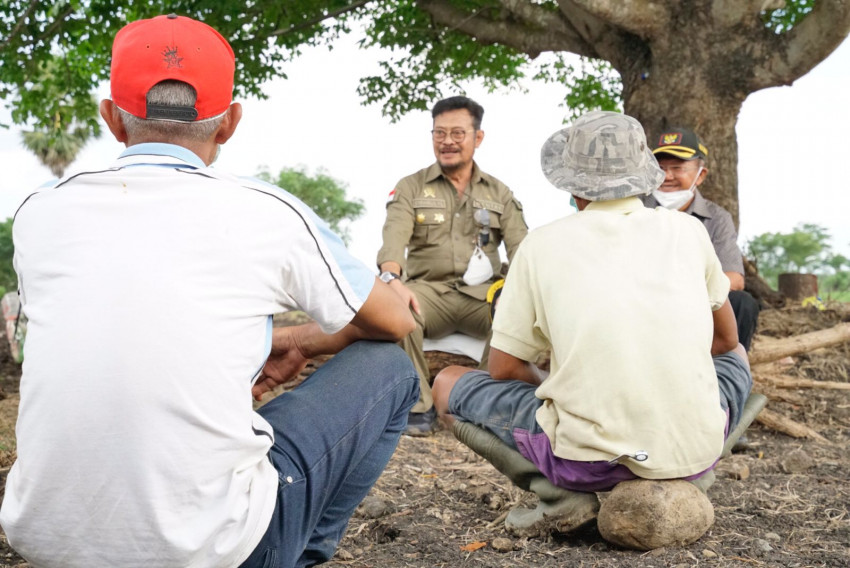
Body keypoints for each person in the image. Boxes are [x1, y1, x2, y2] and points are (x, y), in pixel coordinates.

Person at [0, 15, 419, 568]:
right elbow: (395, 322)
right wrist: (317, 338)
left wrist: (286, 339)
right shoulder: (267, 212)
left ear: (111, 118)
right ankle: (301, 553)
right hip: (215, 549)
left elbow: (124, 323)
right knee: (390, 368)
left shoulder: (39, 211)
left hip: (50, 540)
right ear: (230, 124)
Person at [431, 111, 759, 538]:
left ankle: (558, 496)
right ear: (645, 175)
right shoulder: (689, 232)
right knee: (737, 359)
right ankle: (687, 468)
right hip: (696, 450)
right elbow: (727, 340)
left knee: (447, 382)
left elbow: (504, 368)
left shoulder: (542, 245)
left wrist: (556, 385)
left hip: (583, 461)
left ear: (571, 184)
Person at [377, 95, 528, 436]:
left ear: (478, 137)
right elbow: (393, 239)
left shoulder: (499, 192)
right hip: (427, 292)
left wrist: (517, 294)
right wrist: (391, 278)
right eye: (439, 133)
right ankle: (417, 408)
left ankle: (484, 405)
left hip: (483, 295)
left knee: (513, 315)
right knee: (395, 308)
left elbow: (522, 249)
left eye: (458, 133)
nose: (447, 142)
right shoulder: (411, 187)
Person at [641, 127, 760, 350]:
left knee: (743, 304)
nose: (667, 177)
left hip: (699, 301)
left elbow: (734, 278)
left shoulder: (717, 218)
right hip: (646, 299)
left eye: (678, 168)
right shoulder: (636, 210)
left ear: (700, 174)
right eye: (660, 169)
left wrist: (686, 292)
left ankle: (725, 370)